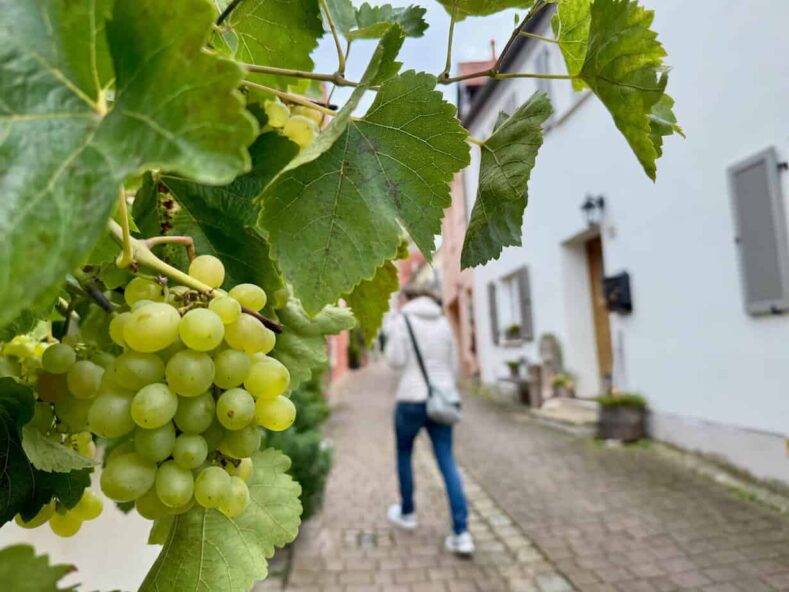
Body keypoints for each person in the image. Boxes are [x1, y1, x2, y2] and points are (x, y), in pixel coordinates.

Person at [384, 288, 474, 556]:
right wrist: (443, 386)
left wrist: (392, 327)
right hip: (441, 399)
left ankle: (408, 513)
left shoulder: (403, 320)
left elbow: (394, 360)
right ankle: (462, 533)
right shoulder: (443, 322)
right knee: (447, 461)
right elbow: (453, 365)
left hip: (411, 398)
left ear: (407, 300)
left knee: (404, 454)